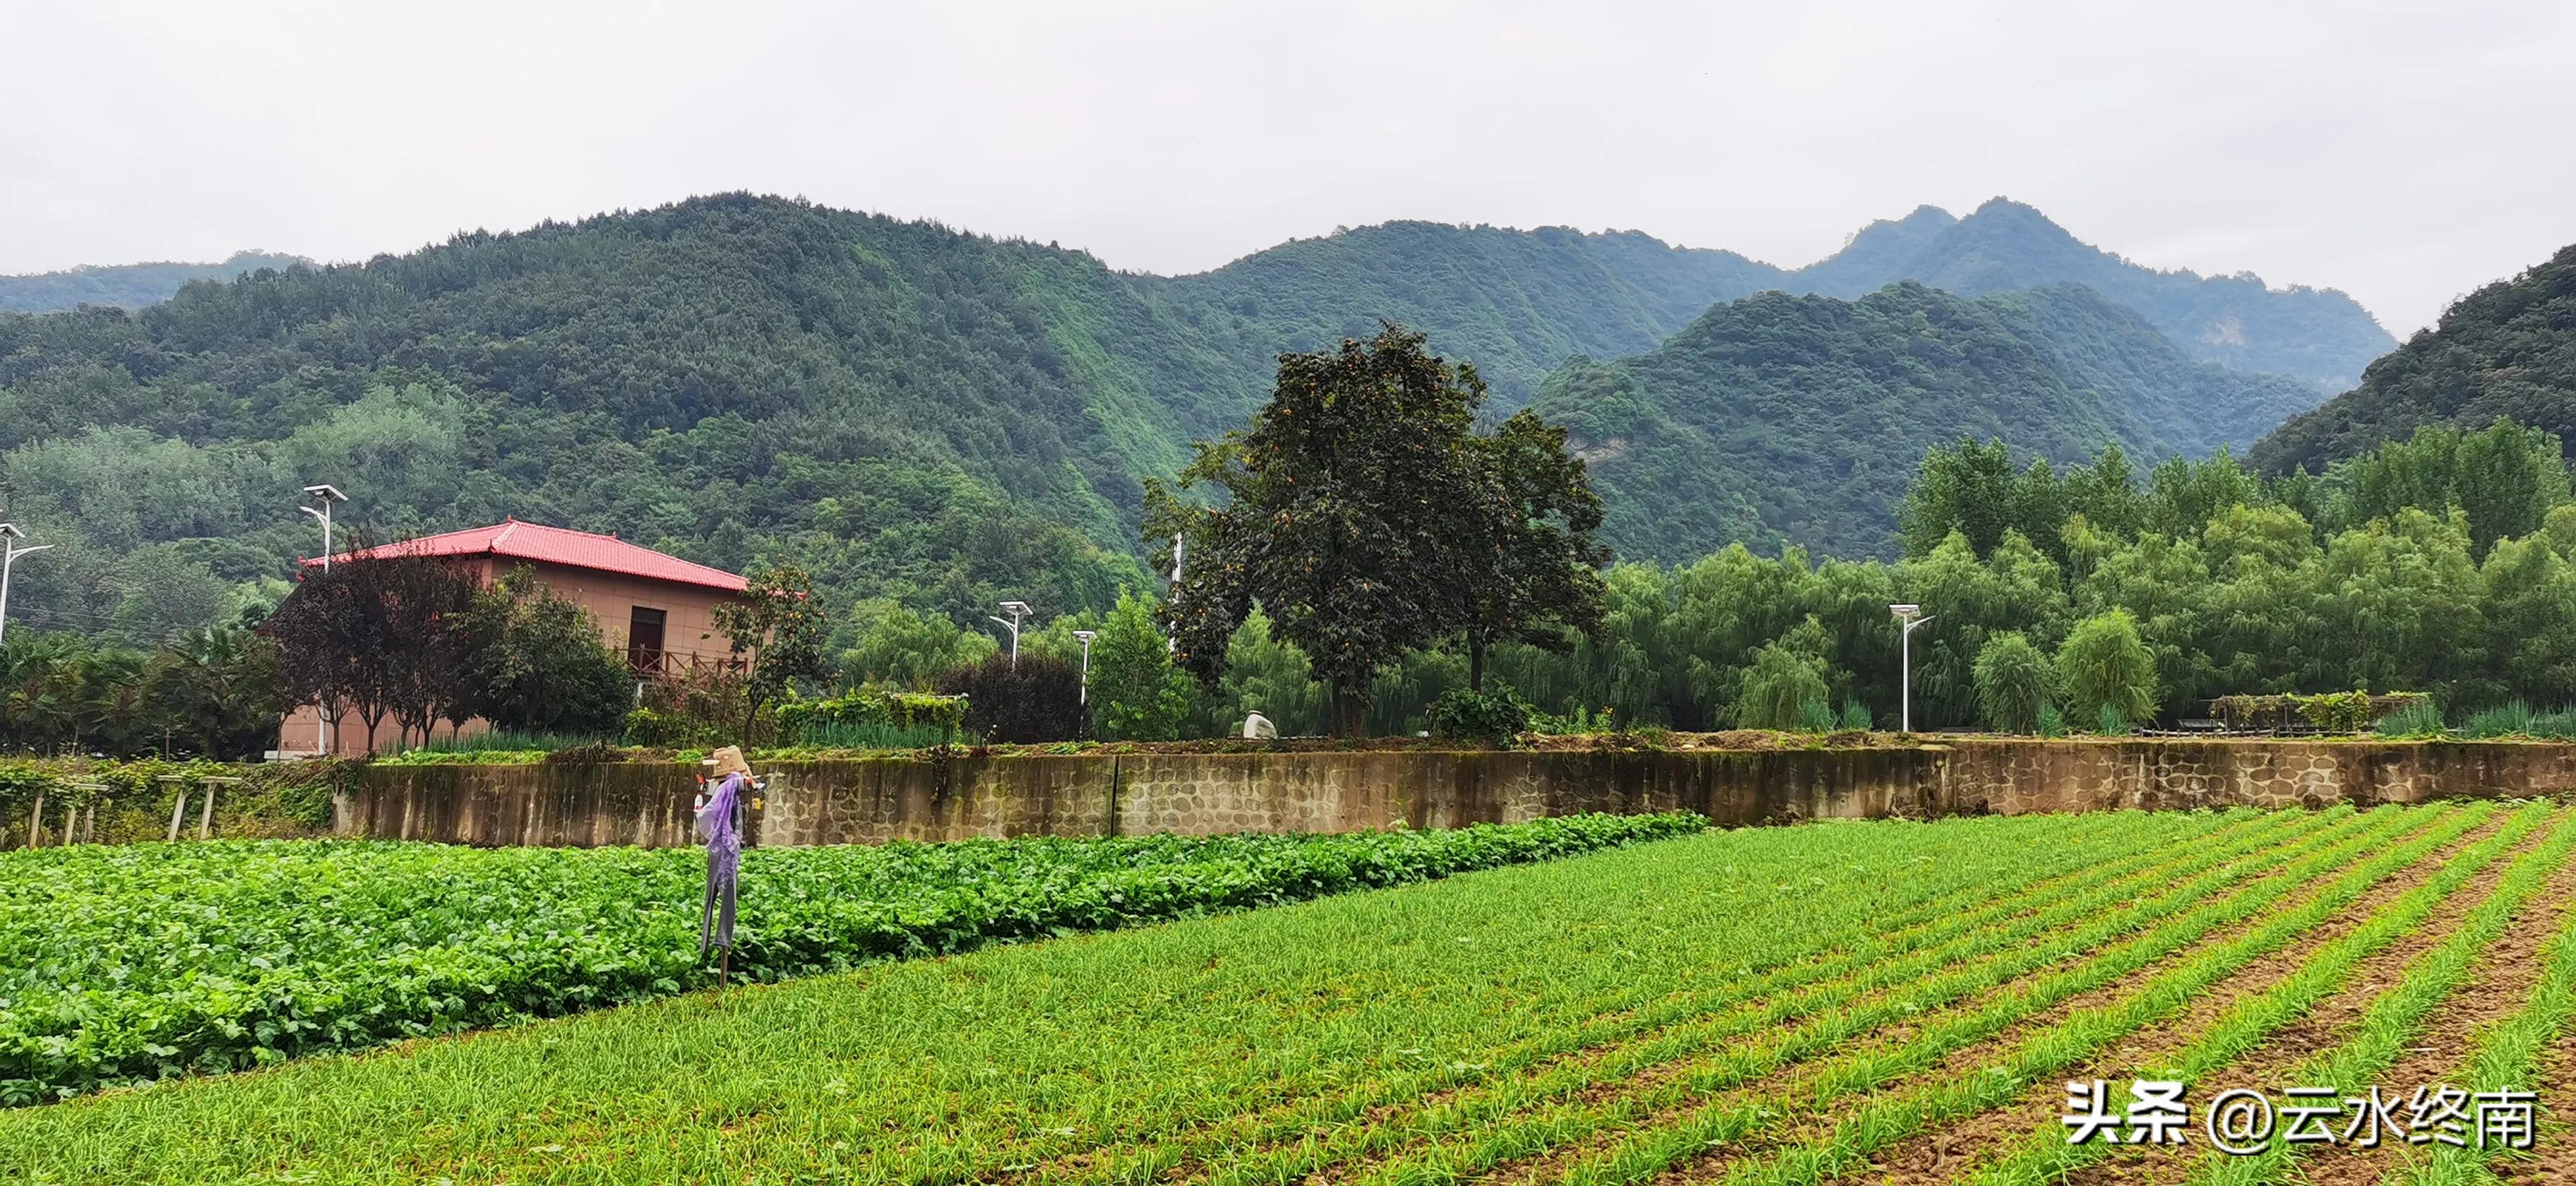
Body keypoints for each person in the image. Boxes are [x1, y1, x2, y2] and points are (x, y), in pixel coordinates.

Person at [696, 745, 751, 964]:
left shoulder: (727, 786)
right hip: (726, 848)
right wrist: (721, 834)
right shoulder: (730, 786)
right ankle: (722, 941)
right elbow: (706, 816)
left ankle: (711, 945)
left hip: (721, 847)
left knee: (719, 894)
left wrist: (714, 834)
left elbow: (704, 818)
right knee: (727, 894)